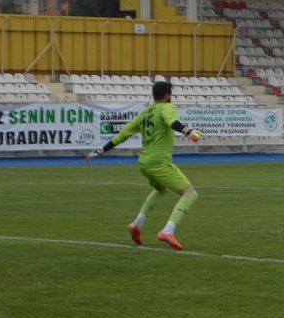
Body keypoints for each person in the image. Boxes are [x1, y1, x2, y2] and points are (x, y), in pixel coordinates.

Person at [85, 80, 201, 250]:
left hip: (144, 163)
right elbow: (171, 121)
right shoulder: (167, 107)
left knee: (160, 190)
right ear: (167, 95)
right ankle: (168, 231)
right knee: (190, 194)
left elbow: (123, 134)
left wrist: (99, 151)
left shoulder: (145, 113)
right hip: (158, 162)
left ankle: (137, 225)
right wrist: (188, 131)